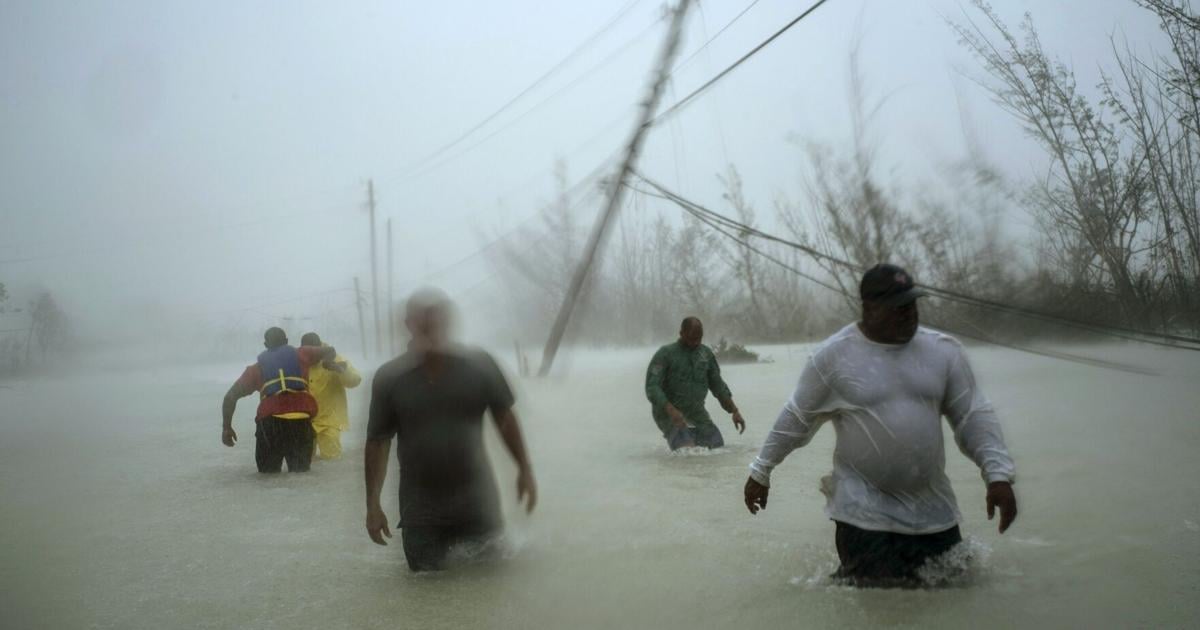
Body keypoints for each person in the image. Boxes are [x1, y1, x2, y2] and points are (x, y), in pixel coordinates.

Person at [743, 264, 1018, 587]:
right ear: (868, 307)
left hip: (933, 513)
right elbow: (796, 419)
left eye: (912, 305)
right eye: (897, 308)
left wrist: (997, 475)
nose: (909, 314)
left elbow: (973, 416)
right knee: (880, 607)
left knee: (952, 600)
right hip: (863, 516)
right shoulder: (833, 357)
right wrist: (761, 471)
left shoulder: (943, 351)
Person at [364, 288, 537, 572]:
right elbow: (377, 442)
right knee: (425, 596)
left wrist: (525, 469)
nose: (431, 328)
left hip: (478, 504)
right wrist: (372, 504)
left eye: (437, 321)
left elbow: (505, 418)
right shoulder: (390, 377)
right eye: (423, 322)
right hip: (420, 512)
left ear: (449, 323)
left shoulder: (479, 366)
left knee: (491, 593)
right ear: (408, 325)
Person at [221, 327, 335, 473]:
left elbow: (229, 398)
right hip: (300, 425)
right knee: (301, 478)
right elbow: (330, 350)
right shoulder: (303, 353)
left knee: (268, 479)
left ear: (265, 345)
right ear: (287, 342)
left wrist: (227, 427)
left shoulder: (255, 370)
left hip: (270, 427)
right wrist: (328, 362)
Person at [645, 316, 746, 450]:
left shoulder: (705, 355)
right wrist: (671, 410)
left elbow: (718, 386)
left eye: (699, 338)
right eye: (691, 338)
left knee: (718, 448)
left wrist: (734, 411)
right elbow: (652, 387)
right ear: (681, 334)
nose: (695, 343)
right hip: (668, 415)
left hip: (697, 413)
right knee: (687, 452)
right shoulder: (666, 354)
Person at [299, 332, 361, 461]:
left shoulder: (335, 359)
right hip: (305, 421)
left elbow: (354, 381)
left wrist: (340, 370)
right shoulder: (299, 362)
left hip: (330, 421)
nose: (311, 356)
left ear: (320, 348)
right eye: (308, 352)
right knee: (304, 463)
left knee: (331, 462)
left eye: (314, 352)